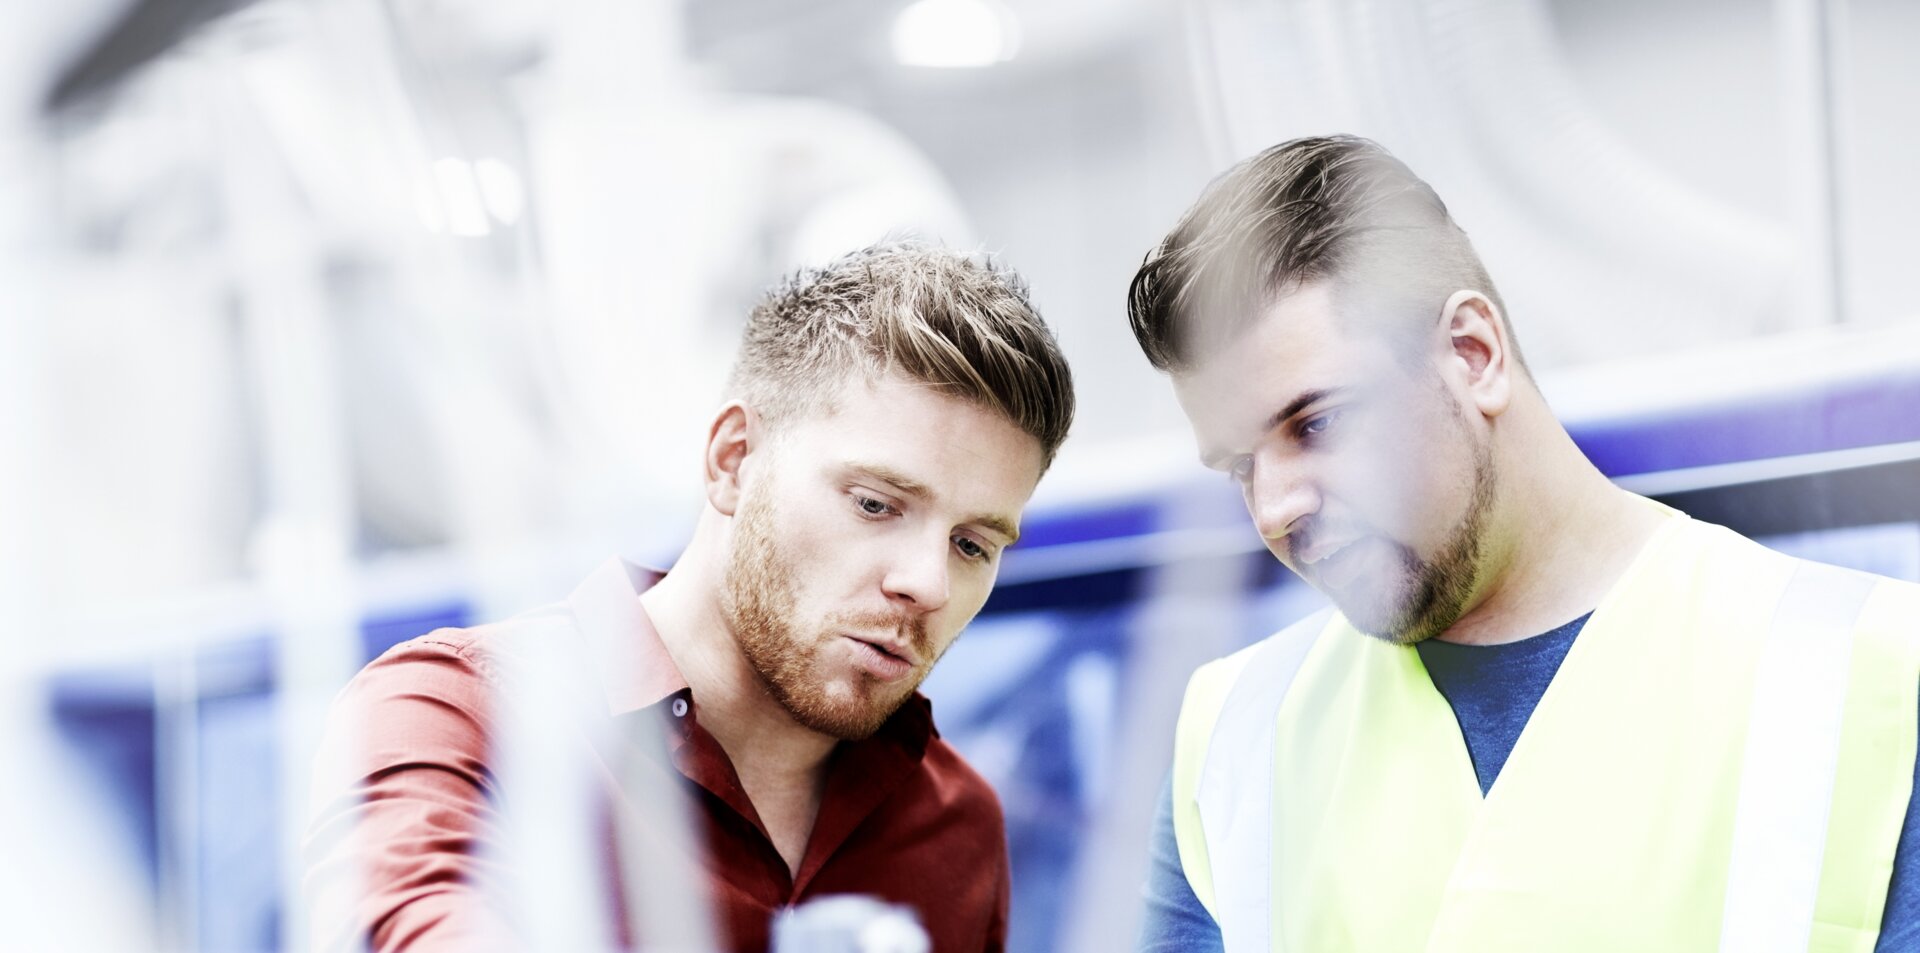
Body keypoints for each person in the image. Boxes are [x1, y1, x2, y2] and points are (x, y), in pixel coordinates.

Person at [1125, 135, 1920, 952]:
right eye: (1240, 467)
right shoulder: (1236, 737)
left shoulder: (1866, 676)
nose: (1274, 507)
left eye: (1318, 423)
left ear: (1473, 354)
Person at [303, 242, 1076, 952]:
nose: (928, 584)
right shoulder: (458, 715)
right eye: (875, 504)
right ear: (734, 460)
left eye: (973, 545)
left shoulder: (957, 826)